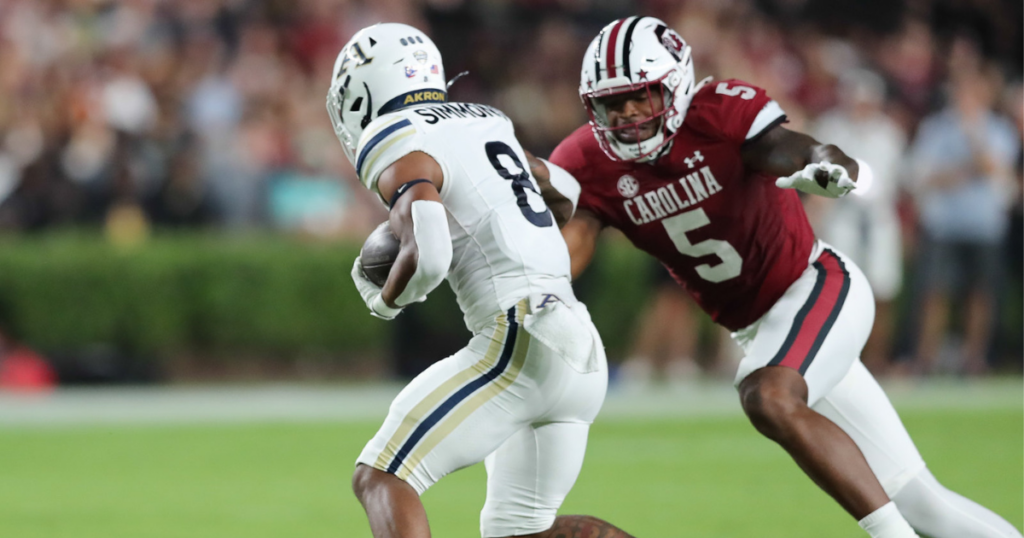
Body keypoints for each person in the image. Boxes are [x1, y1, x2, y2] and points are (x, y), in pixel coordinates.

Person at [536, 16, 1022, 538]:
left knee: (768, 394)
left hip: (815, 284)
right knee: (926, 506)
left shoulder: (718, 112)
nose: (627, 115)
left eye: (642, 97)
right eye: (613, 103)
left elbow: (783, 147)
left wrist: (820, 162)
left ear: (674, 87)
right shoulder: (587, 161)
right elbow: (576, 237)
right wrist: (535, 282)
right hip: (764, 330)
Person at [328, 23, 634, 538]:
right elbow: (567, 191)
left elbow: (428, 252)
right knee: (519, 532)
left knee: (381, 475)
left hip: (520, 338)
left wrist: (385, 300)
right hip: (578, 342)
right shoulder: (485, 120)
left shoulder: (395, 134)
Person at [908, 62, 1019, 376]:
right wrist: (964, 170)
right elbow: (923, 177)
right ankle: (925, 359)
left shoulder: (997, 128)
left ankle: (974, 360)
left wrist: (973, 138)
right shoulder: (935, 127)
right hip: (944, 223)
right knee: (934, 292)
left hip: (984, 224)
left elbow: (996, 170)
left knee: (981, 294)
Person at [809, 69, 907, 375]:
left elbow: (899, 183)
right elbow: (815, 181)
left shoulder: (890, 132)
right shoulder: (830, 128)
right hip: (842, 218)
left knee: (882, 292)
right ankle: (838, 361)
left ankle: (876, 361)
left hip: (878, 221)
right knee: (837, 291)